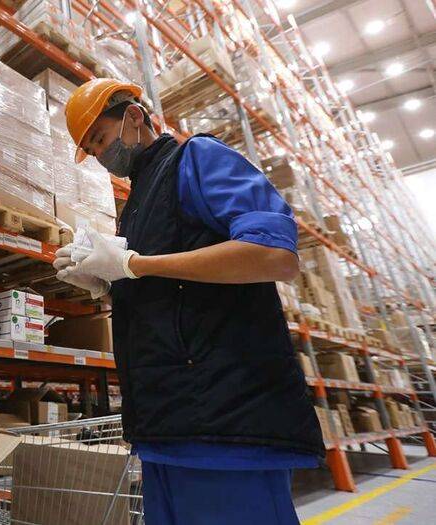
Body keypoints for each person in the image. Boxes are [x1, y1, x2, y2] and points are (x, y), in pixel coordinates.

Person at [56, 78, 323, 525]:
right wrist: (106, 284)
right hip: (165, 429)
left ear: (134, 117)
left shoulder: (197, 158)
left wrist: (134, 264)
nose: (102, 156)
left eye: (100, 139)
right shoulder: (137, 203)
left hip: (225, 429)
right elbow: (171, 290)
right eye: (92, 150)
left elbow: (274, 255)